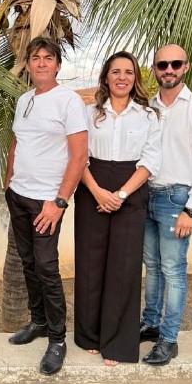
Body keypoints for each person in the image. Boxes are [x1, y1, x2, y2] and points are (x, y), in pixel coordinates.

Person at [5, 37, 88, 375]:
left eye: (48, 57)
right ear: (28, 64)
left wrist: (59, 202)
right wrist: (9, 181)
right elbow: (17, 142)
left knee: (46, 267)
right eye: (35, 57)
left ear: (58, 65)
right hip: (18, 196)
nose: (41, 63)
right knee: (28, 263)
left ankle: (57, 339)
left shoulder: (69, 101)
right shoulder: (24, 99)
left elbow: (79, 156)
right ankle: (38, 321)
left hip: (47, 201)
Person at [73, 51, 162, 367]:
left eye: (129, 72)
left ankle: (118, 343)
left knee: (124, 268)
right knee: (90, 262)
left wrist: (121, 194)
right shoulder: (87, 113)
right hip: (91, 187)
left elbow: (150, 161)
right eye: (116, 71)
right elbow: (78, 157)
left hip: (131, 190)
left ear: (135, 78)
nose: (122, 77)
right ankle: (89, 335)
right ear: (106, 77)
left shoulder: (149, 116)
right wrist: (98, 192)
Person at [141, 44, 192, 366]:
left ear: (186, 67)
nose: (169, 70)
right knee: (152, 266)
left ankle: (169, 338)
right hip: (146, 195)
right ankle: (150, 323)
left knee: (173, 270)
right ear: (155, 69)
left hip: (177, 199)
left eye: (175, 64)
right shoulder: (147, 108)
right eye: (162, 65)